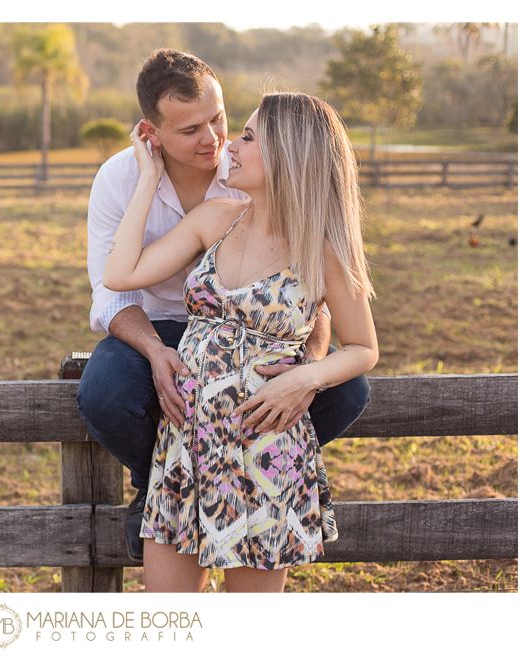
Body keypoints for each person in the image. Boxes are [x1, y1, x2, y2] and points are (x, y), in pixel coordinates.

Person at [75, 49, 371, 564]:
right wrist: (153, 352)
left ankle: (271, 472)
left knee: (348, 391)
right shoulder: (127, 180)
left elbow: (308, 304)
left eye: (220, 119)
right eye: (190, 130)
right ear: (153, 132)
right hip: (160, 324)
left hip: (262, 342)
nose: (215, 140)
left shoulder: (245, 177)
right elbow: (114, 287)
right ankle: (161, 483)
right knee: (106, 391)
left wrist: (308, 367)